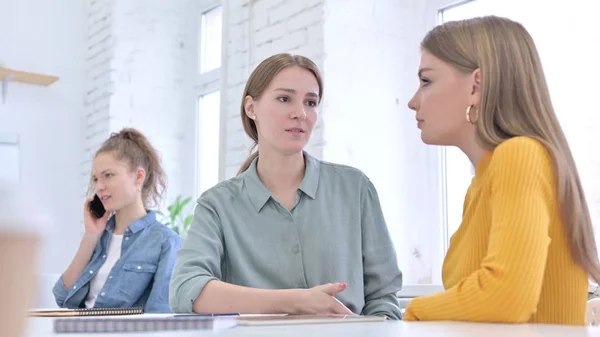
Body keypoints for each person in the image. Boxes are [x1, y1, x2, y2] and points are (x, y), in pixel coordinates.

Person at [169, 53, 403, 319]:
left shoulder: (355, 188)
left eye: (311, 102)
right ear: (251, 108)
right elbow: (186, 290)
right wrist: (297, 301)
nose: (300, 113)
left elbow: (383, 298)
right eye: (284, 99)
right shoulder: (217, 205)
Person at [404, 16, 599, 325]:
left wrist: (414, 312)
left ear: (476, 85)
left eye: (426, 81)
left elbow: (505, 297)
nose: (413, 102)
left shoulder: (519, 155)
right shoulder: (481, 183)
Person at [53, 128, 182, 313]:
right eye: (96, 179)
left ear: (138, 176)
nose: (100, 187)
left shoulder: (166, 242)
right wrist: (91, 235)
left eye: (108, 175)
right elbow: (62, 298)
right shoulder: (100, 237)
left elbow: (159, 316)